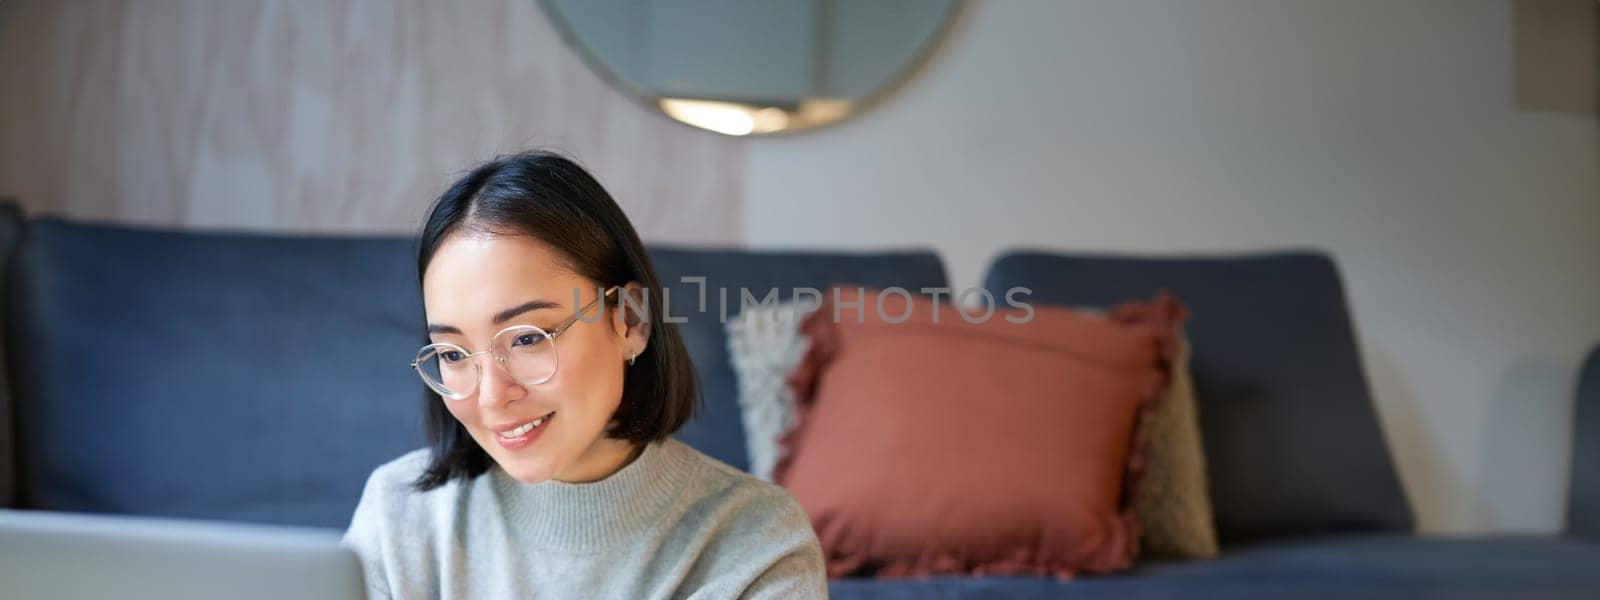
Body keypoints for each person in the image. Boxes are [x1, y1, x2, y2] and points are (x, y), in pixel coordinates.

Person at [341, 150, 828, 599]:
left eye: (529, 338)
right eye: (453, 353)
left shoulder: (756, 545)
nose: (491, 396)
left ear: (631, 321)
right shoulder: (397, 516)